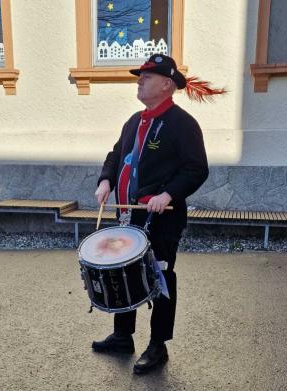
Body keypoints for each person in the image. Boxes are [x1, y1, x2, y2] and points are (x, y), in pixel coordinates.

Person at [93, 54, 221, 374]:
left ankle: (158, 345)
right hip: (128, 215)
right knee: (121, 271)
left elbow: (196, 168)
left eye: (147, 77)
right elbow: (115, 154)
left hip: (161, 217)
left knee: (159, 277)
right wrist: (106, 180)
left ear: (166, 85)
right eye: (140, 77)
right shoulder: (134, 121)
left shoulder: (182, 124)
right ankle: (123, 335)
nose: (140, 80)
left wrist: (168, 194)